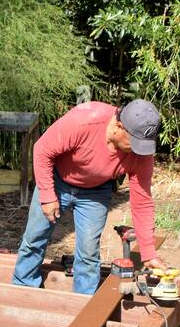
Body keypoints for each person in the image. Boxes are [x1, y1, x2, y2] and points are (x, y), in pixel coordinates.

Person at [12, 99, 170, 295]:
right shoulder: (85, 120)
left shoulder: (141, 153)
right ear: (118, 127)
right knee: (35, 237)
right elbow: (42, 149)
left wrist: (148, 252)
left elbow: (142, 201)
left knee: (88, 252)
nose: (139, 149)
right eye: (134, 142)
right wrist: (47, 194)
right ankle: (22, 290)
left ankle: (83, 302)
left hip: (96, 190)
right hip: (57, 180)